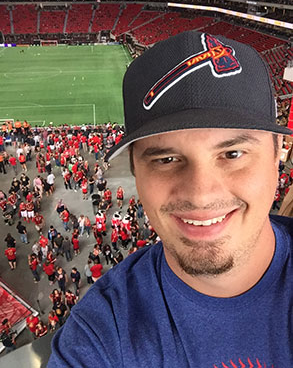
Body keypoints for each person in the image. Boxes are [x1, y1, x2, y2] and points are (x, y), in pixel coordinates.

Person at [48, 31, 293, 366]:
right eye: (166, 159)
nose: (201, 192)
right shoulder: (101, 333)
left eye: (233, 153)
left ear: (281, 151)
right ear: (135, 167)